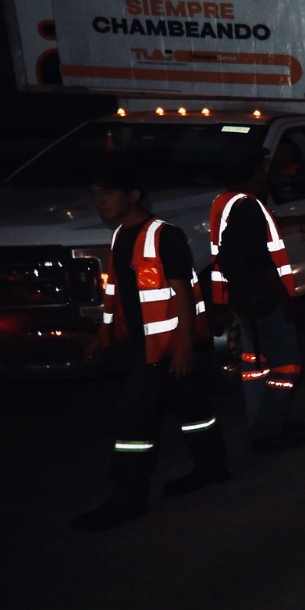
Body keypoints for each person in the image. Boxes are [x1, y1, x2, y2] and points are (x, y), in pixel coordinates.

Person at [73, 163, 231, 531]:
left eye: (107, 194)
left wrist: (183, 347)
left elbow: (180, 294)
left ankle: (127, 498)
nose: (99, 203)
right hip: (146, 345)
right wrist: (103, 333)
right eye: (95, 195)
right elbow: (119, 294)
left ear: (133, 195)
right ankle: (212, 467)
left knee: (133, 420)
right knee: (192, 408)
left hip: (161, 348)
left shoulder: (164, 236)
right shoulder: (120, 237)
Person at [211, 144, 305, 453]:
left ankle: (264, 421)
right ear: (255, 172)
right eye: (262, 168)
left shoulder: (224, 202)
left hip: (241, 300)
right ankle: (268, 430)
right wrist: (285, 299)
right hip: (263, 301)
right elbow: (261, 260)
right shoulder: (249, 206)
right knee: (286, 366)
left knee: (255, 367)